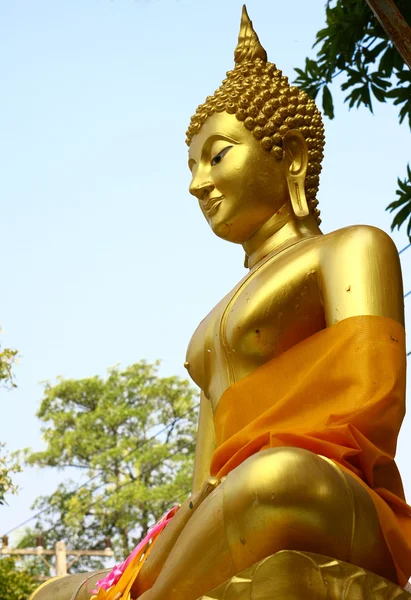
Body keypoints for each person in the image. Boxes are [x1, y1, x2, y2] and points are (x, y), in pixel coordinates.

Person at [29, 6, 411, 600]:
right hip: (230, 508)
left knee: (272, 478)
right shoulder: (209, 328)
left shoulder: (350, 249)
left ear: (291, 157)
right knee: (52, 590)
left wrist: (263, 453)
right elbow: (207, 482)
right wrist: (186, 520)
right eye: (191, 166)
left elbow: (373, 399)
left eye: (218, 155)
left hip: (324, 491)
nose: (197, 183)